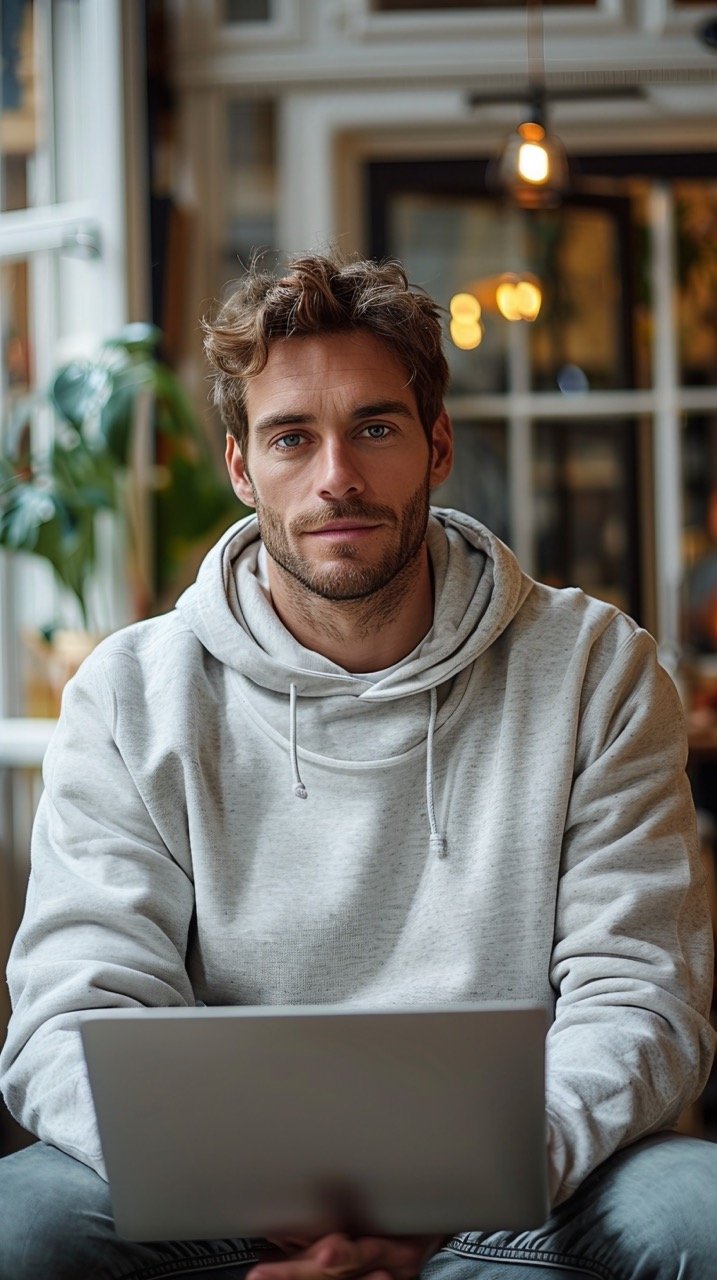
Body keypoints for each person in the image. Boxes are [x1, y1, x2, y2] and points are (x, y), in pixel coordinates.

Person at [0, 252, 715, 1280]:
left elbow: (639, 996)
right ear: (244, 468)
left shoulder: (596, 666)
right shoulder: (131, 693)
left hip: (531, 1181)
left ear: (437, 446)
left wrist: (483, 1174)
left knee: (702, 1212)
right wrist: (259, 1184)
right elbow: (73, 1009)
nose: (337, 474)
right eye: (293, 437)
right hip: (222, 1193)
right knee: (17, 1228)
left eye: (375, 428)